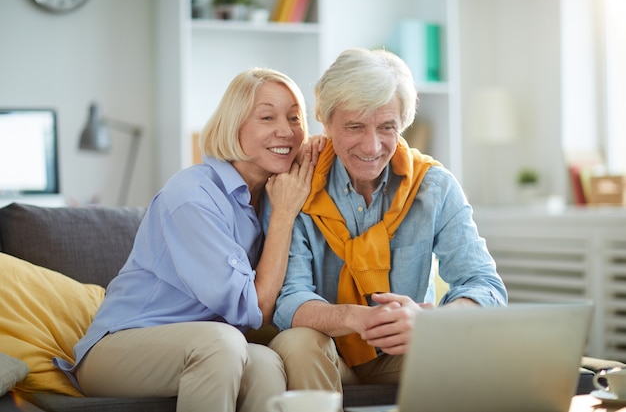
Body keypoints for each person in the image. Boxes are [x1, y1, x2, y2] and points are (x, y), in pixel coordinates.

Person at [54, 67, 322, 412]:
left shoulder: (272, 195)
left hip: (207, 344)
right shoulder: (193, 196)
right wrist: (284, 215)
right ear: (232, 125)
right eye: (267, 117)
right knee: (222, 342)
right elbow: (254, 309)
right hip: (117, 350)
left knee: (266, 364)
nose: (285, 131)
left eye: (295, 118)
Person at [266, 48, 508, 393]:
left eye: (386, 127)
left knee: (480, 347)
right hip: (326, 352)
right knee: (297, 342)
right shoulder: (297, 185)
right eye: (354, 126)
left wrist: (428, 322)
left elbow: (484, 285)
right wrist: (354, 318)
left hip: (405, 354)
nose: (372, 145)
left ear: (402, 124)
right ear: (326, 121)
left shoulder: (434, 187)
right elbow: (289, 298)